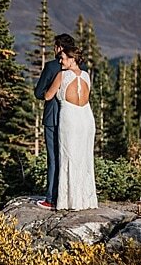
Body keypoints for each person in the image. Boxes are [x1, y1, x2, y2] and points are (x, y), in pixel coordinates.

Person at [43, 44, 98, 211]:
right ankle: (86, 199)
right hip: (86, 117)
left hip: (70, 117)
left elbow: (47, 96)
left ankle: (70, 200)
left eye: (64, 58)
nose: (60, 61)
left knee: (68, 156)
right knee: (84, 158)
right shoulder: (87, 75)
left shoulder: (62, 75)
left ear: (72, 59)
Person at [33, 34, 76, 207]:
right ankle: (68, 196)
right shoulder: (80, 68)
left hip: (53, 117)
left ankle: (51, 198)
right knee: (69, 156)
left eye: (55, 46)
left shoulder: (52, 66)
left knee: (53, 158)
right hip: (74, 117)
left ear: (60, 48)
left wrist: (48, 93)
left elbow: (38, 93)